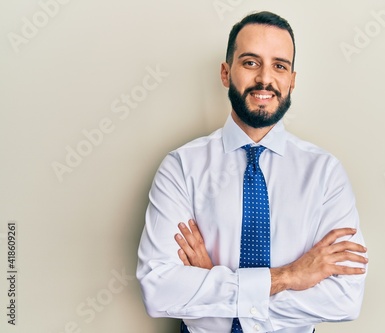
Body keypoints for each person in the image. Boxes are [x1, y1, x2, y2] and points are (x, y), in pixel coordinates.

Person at [137, 11, 368, 333]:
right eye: (250, 62)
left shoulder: (326, 173)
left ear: (292, 79)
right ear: (225, 72)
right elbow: (159, 291)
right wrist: (289, 277)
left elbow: (344, 299)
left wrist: (212, 282)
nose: (265, 79)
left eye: (279, 66)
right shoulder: (181, 167)